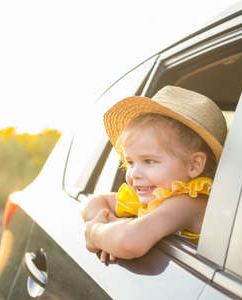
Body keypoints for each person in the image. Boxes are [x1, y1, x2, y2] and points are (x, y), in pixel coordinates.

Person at [80, 85, 227, 263]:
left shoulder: (189, 203)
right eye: (130, 162)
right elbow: (92, 202)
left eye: (149, 161)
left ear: (194, 165)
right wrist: (111, 225)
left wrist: (94, 232)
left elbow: (129, 242)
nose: (134, 173)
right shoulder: (155, 196)